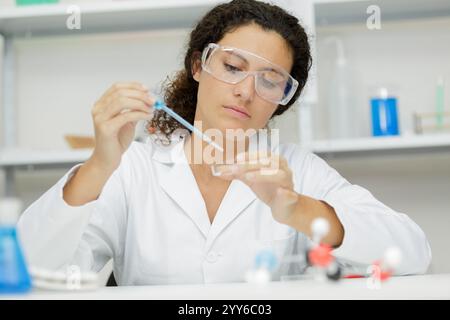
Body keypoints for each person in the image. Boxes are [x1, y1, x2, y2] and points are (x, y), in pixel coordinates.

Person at [17, 0, 431, 285]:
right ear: (199, 65)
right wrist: (98, 166)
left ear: (282, 101)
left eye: (270, 81)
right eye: (233, 67)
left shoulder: (296, 169)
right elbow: (30, 268)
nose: (246, 92)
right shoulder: (133, 169)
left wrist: (296, 207)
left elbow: (412, 252)